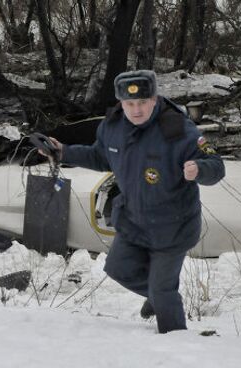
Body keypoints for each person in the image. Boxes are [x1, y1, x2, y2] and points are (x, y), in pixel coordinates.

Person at [41, 70, 225, 333]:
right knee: (118, 269)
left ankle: (177, 344)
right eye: (129, 104)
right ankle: (157, 295)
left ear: (154, 99)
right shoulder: (113, 126)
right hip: (134, 222)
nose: (136, 110)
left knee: (163, 292)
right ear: (121, 103)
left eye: (142, 103)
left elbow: (216, 166)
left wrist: (199, 169)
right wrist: (63, 152)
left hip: (172, 227)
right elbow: (101, 157)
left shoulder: (178, 129)